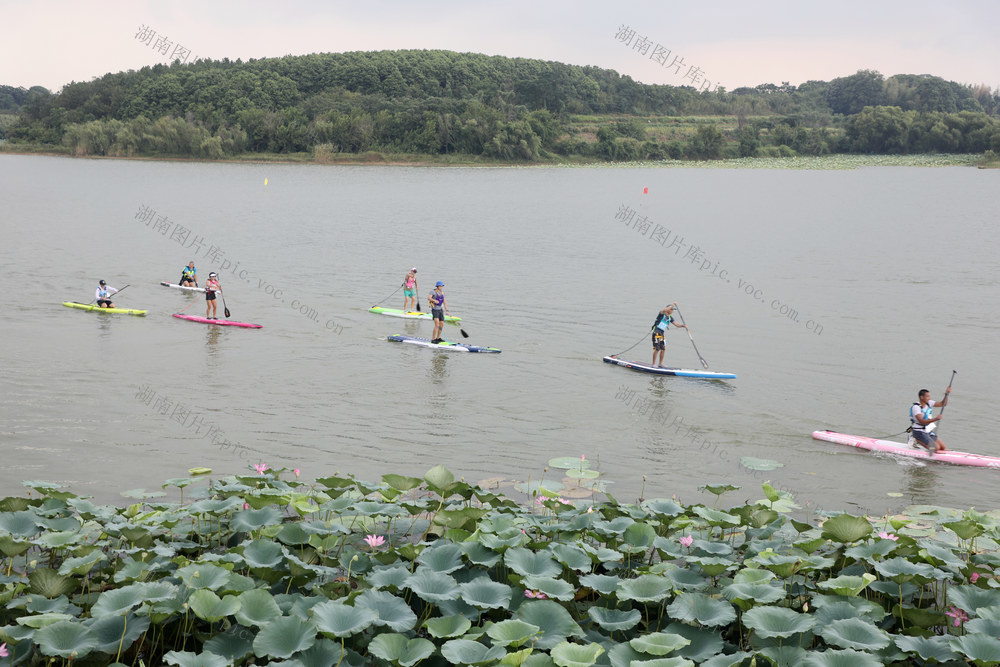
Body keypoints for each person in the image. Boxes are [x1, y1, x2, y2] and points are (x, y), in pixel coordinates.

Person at [910, 386, 951, 453]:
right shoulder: (916, 407)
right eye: (927, 396)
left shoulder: (929, 403)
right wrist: (936, 419)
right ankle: (915, 439)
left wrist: (946, 394)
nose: (929, 398)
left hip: (927, 430)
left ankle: (923, 441)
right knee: (935, 448)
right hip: (919, 431)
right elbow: (922, 422)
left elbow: (943, 404)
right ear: (921, 397)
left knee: (942, 447)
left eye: (929, 396)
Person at [651, 302, 686, 367]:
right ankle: (653, 364)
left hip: (662, 334)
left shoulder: (670, 318)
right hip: (656, 333)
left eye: (673, 309)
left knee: (663, 349)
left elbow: (677, 325)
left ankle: (660, 363)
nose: (672, 311)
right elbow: (664, 310)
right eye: (671, 309)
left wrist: (683, 326)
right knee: (657, 349)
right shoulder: (661, 314)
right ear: (668, 309)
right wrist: (673, 304)